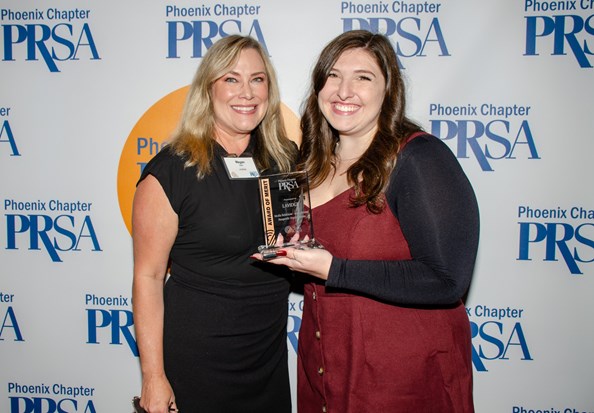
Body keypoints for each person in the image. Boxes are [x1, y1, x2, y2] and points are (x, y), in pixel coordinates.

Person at [253, 30, 480, 412]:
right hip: (324, 369)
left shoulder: (418, 158)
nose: (344, 91)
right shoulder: (310, 163)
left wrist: (334, 269)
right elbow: (313, 264)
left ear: (388, 90)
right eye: (333, 76)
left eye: (363, 77)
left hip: (402, 380)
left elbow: (446, 281)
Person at [131, 35, 297, 413]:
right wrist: (153, 376)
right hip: (197, 355)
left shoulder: (285, 160)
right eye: (231, 79)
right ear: (208, 90)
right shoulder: (171, 171)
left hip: (265, 355)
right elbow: (148, 277)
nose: (247, 92)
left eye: (258, 79)